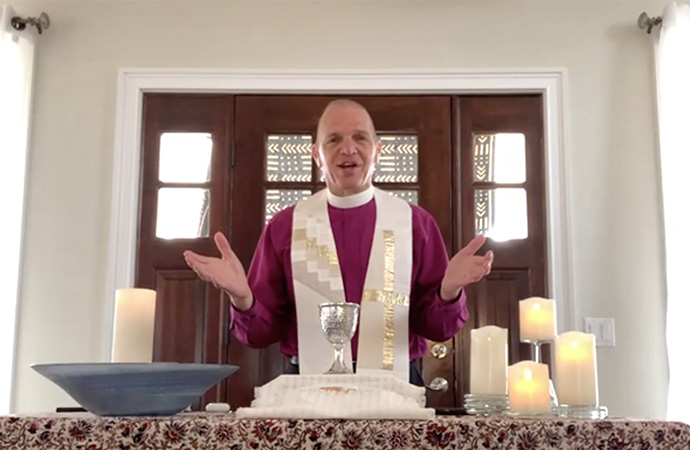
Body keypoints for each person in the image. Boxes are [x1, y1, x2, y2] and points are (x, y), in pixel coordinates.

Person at [184, 99, 493, 386]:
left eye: (360, 138)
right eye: (334, 140)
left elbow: (436, 327)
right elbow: (260, 333)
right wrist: (242, 299)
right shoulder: (286, 226)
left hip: (396, 384)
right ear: (316, 153)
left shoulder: (414, 223)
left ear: (377, 150)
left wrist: (449, 292)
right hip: (307, 383)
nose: (348, 149)